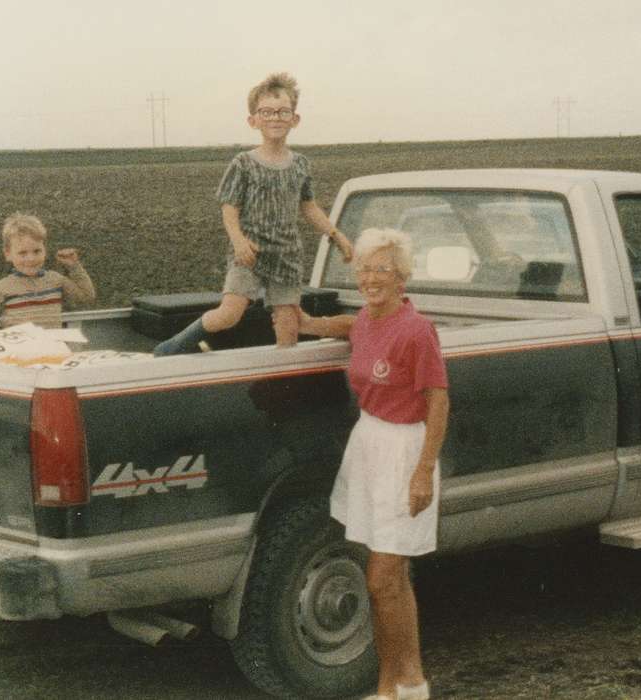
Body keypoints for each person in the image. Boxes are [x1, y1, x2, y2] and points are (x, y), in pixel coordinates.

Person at [299, 228, 448, 700]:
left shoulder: (416, 330)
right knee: (393, 581)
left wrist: (423, 471)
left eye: (381, 269)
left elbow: (439, 402)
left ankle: (411, 685)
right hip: (368, 445)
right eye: (363, 269)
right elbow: (350, 326)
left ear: (402, 276)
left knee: (382, 578)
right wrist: (305, 322)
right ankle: (396, 687)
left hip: (405, 452)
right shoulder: (365, 319)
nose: (370, 278)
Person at [154, 72, 353, 355]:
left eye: (283, 112)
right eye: (267, 112)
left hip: (286, 255)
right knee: (229, 314)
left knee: (288, 325)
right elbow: (229, 207)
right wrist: (238, 241)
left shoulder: (300, 164)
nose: (275, 118)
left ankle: (283, 380)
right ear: (254, 120)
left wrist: (336, 235)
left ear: (294, 119)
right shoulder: (243, 163)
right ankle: (171, 348)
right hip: (249, 253)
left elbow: (308, 205)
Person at [0, 212, 96, 328]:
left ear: (44, 249)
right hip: (21, 347)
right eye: (22, 253)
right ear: (8, 254)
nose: (31, 259)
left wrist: (74, 267)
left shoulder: (56, 280)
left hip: (51, 345)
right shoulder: (3, 287)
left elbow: (85, 298)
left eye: (37, 251)